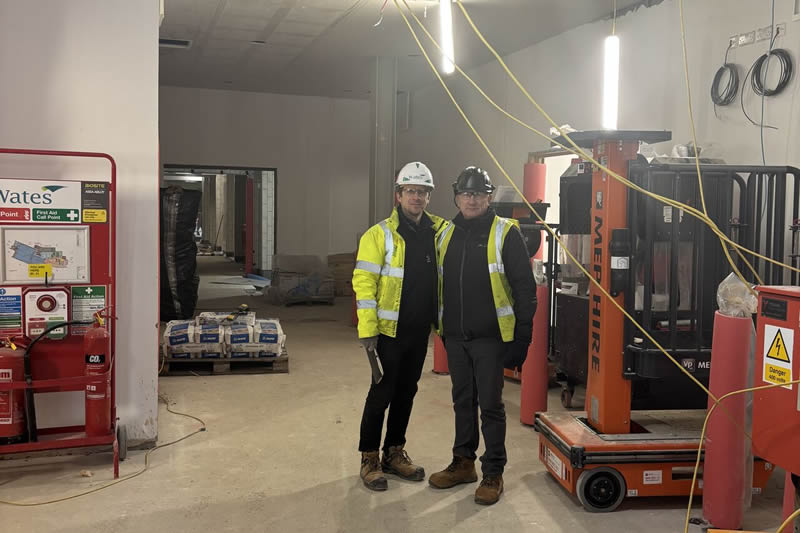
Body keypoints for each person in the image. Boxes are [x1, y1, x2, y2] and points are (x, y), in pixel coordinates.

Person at [429, 166, 537, 505]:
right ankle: (463, 463)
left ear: (489, 198)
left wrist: (522, 338)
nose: (471, 200)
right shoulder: (445, 234)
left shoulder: (506, 233)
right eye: (465, 194)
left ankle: (493, 472)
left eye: (478, 194)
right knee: (463, 402)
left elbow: (525, 289)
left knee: (490, 406)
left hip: (491, 339)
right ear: (456, 198)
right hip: (456, 337)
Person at [352, 161, 448, 491]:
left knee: (407, 392)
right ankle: (369, 458)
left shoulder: (438, 232)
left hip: (419, 331)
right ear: (399, 195)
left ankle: (394, 452)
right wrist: (368, 329)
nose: (416, 197)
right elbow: (364, 282)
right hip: (388, 333)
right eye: (410, 191)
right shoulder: (379, 234)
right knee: (382, 393)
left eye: (422, 192)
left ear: (429, 196)